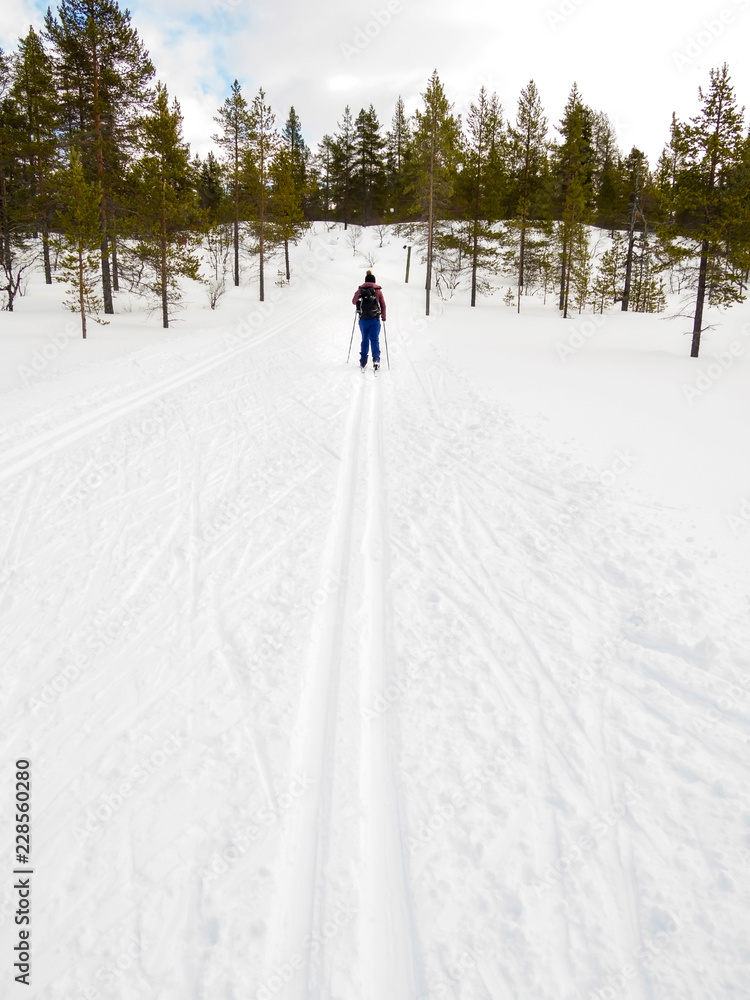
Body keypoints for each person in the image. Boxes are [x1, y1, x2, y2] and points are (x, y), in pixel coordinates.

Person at [352, 270, 386, 371]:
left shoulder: (360, 290)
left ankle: (363, 361)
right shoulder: (378, 291)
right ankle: (376, 360)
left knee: (365, 339)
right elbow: (383, 305)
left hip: (363, 320)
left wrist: (359, 293)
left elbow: (354, 302)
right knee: (374, 339)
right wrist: (383, 317)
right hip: (374, 319)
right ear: (374, 282)